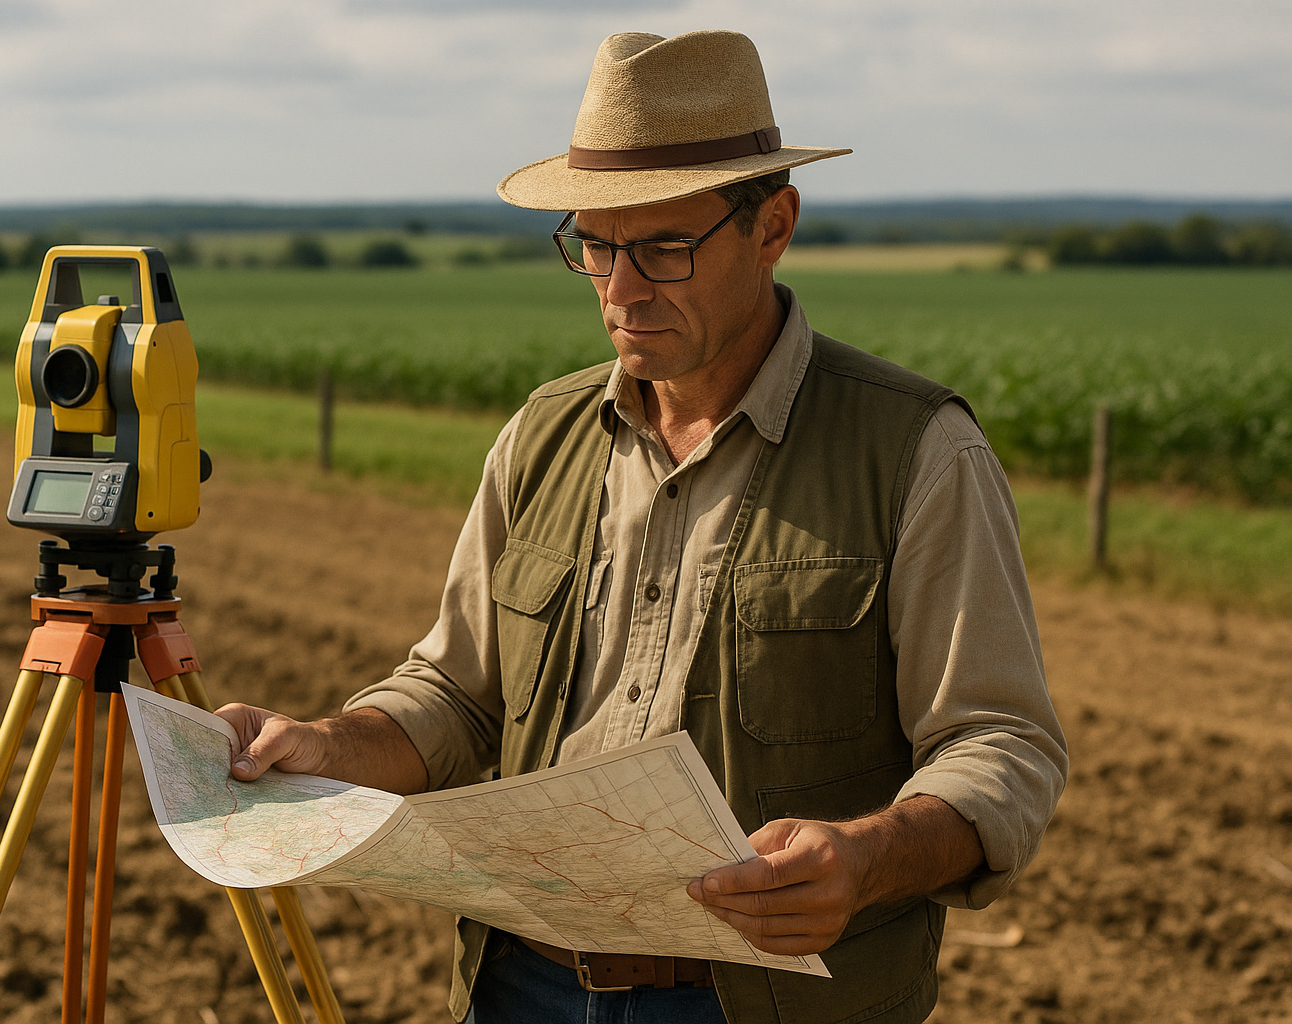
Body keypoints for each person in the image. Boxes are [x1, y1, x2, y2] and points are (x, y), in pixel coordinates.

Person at [217, 29, 1067, 1024]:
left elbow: (1001, 743)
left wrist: (868, 856)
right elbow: (456, 694)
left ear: (774, 224)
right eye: (596, 246)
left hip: (763, 1005)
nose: (621, 289)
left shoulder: (915, 449)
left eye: (665, 246)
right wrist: (324, 743)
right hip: (523, 985)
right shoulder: (541, 435)